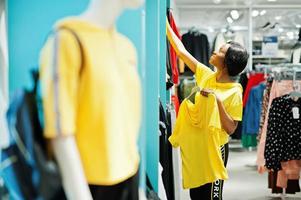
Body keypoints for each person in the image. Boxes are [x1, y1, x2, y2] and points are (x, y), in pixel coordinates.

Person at [39, 0, 143, 199]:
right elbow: (61, 135)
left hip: (129, 178)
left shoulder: (126, 48)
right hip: (87, 185)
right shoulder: (67, 39)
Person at [167, 20, 249, 200]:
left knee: (212, 196)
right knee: (195, 195)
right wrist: (165, 24)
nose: (215, 51)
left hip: (215, 150)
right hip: (198, 149)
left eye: (221, 51)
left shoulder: (234, 92)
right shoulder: (206, 75)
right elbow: (181, 51)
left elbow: (231, 128)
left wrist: (217, 100)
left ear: (227, 62)